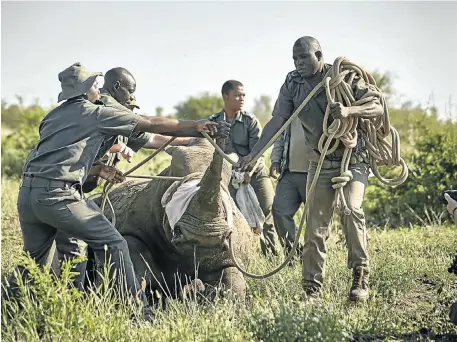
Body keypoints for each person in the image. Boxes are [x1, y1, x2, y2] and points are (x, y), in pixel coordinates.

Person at [8, 62, 229, 321]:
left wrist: (98, 169)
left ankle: (20, 311)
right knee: (113, 243)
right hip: (60, 196)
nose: (98, 88)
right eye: (93, 84)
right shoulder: (96, 112)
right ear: (83, 89)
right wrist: (198, 126)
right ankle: (139, 313)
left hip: (28, 195)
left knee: (35, 260)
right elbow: (150, 124)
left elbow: (56, 157)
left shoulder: (53, 116)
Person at [237, 36, 383, 301]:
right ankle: (312, 289)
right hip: (320, 159)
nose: (298, 63)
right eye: (295, 58)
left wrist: (349, 112)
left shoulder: (343, 77)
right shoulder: (292, 84)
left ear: (319, 55)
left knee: (351, 210)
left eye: (303, 57)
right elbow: (278, 121)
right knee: (315, 226)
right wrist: (253, 154)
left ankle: (360, 276)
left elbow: (377, 105)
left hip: (353, 158)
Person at [54, 68, 193, 289]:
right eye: (130, 92)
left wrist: (188, 142)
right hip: (64, 189)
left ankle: (57, 294)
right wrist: (195, 128)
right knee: (100, 242)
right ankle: (87, 297)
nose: (131, 102)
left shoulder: (114, 121)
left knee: (58, 248)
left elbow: (153, 138)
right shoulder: (102, 108)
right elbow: (148, 127)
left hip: (67, 188)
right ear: (117, 89)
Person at [209, 80, 279, 256]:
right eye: (237, 95)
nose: (242, 99)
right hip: (229, 176)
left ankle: (272, 254)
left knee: (268, 210)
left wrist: (248, 171)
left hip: (255, 173)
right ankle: (242, 255)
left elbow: (258, 151)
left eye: (244, 95)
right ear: (226, 97)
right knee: (234, 215)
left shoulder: (250, 121)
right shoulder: (214, 123)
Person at [270, 118, 310, 257]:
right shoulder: (289, 107)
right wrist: (275, 160)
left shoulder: (322, 102)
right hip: (289, 172)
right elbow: (280, 136)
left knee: (315, 218)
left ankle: (312, 257)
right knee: (279, 211)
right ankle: (293, 254)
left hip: (316, 173)